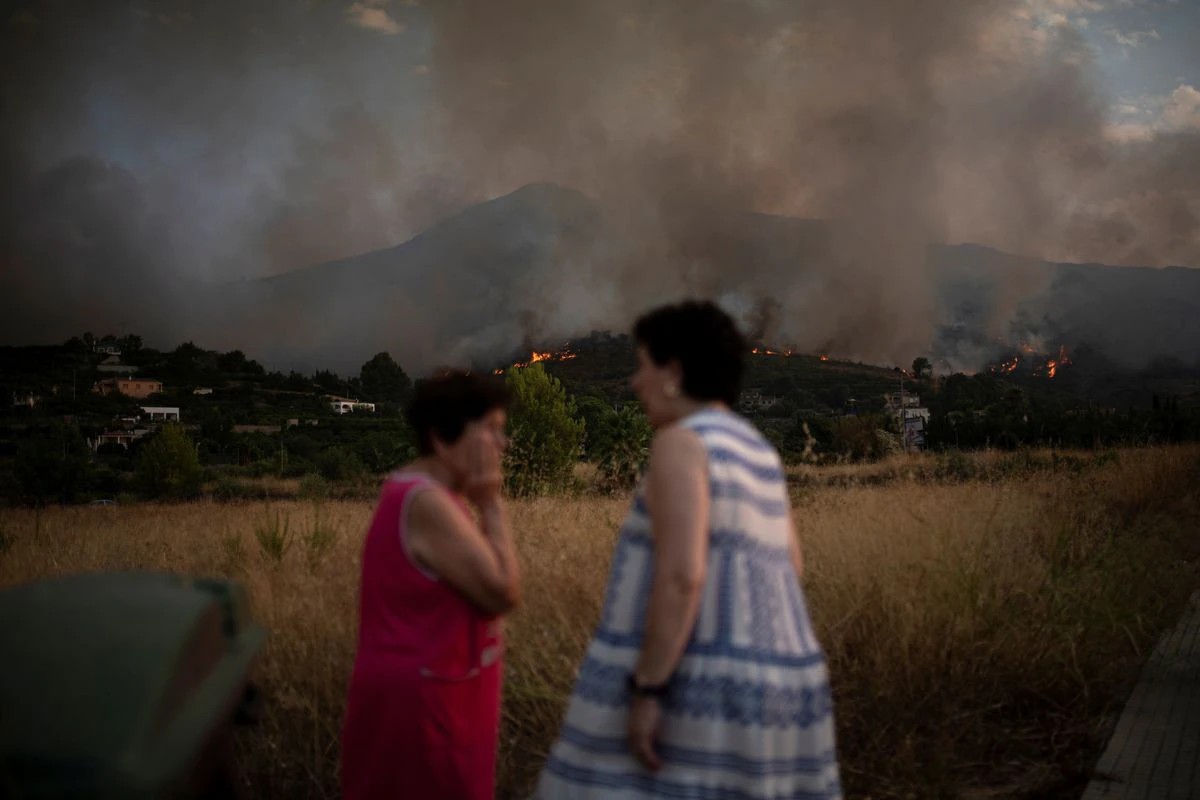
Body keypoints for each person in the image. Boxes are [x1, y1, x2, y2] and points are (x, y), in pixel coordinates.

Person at [536, 301, 842, 799]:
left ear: (673, 372)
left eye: (642, 366)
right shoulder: (759, 450)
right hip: (785, 685)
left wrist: (651, 688)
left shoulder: (681, 444)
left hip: (704, 690)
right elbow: (792, 569)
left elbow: (682, 575)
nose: (636, 383)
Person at [341, 370, 521, 800]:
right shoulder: (427, 503)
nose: (503, 445)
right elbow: (502, 591)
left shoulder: (421, 494)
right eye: (491, 431)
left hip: (436, 702)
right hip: (425, 717)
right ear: (443, 438)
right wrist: (491, 502)